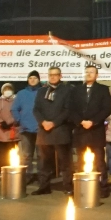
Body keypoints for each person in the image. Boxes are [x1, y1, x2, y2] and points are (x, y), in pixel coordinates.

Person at [31, 66, 74, 194]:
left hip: (60, 130)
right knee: (44, 162)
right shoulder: (41, 91)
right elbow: (36, 109)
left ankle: (68, 186)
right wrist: (43, 122)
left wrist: (54, 123)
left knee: (65, 162)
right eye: (50, 75)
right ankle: (44, 186)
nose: (53, 77)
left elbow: (68, 110)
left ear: (60, 76)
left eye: (55, 75)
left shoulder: (67, 91)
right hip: (44, 131)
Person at [71, 64, 111, 184]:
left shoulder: (103, 89)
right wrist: (80, 121)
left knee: (99, 161)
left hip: (96, 130)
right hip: (80, 130)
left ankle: (103, 187)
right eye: (87, 72)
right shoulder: (76, 90)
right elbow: (71, 109)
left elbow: (106, 109)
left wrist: (93, 121)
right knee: (80, 160)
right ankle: (81, 186)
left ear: (96, 75)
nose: (89, 74)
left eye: (91, 72)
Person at [12, 70, 41, 187]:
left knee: (41, 155)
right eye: (30, 78)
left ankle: (41, 176)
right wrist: (20, 120)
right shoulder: (21, 93)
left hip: (40, 128)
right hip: (25, 129)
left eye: (35, 78)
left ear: (39, 80)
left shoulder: (43, 92)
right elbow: (14, 109)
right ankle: (27, 175)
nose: (32, 80)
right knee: (26, 155)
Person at [0, 83, 22, 169]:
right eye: (5, 89)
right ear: (2, 91)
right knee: (0, 152)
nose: (7, 91)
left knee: (12, 152)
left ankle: (11, 169)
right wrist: (1, 122)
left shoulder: (17, 101)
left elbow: (20, 113)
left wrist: (11, 122)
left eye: (9, 89)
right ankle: (0, 169)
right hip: (0, 132)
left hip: (13, 131)